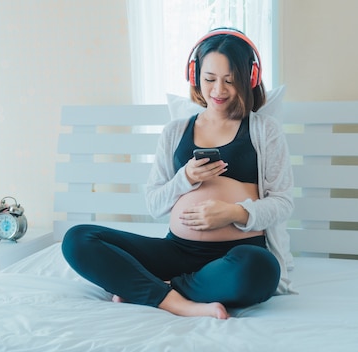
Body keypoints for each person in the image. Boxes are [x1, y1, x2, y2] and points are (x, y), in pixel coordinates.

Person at [61, 28, 294, 320]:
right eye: (209, 79)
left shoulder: (264, 130)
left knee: (260, 268)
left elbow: (283, 202)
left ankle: (155, 289)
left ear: (250, 79)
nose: (218, 91)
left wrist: (233, 213)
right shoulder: (175, 131)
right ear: (195, 75)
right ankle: (179, 302)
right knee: (79, 238)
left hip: (238, 252)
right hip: (177, 252)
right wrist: (184, 178)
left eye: (230, 81)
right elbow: (155, 204)